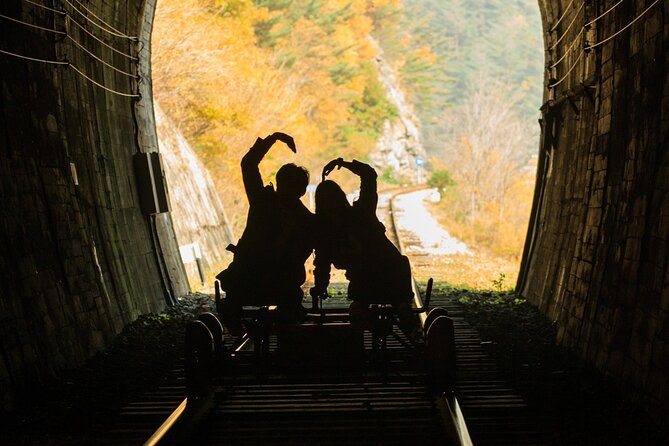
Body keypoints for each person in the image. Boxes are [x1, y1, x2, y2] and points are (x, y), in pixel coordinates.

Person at [216, 132, 314, 335]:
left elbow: (248, 164)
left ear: (278, 183)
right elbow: (305, 251)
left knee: (232, 292)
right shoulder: (305, 219)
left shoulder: (262, 200)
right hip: (283, 283)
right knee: (290, 298)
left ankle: (235, 323)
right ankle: (286, 334)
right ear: (303, 191)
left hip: (246, 275)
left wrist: (274, 138)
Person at [309, 158, 417, 338]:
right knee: (398, 276)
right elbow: (368, 175)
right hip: (394, 275)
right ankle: (407, 316)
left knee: (359, 299)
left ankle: (359, 316)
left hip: (363, 283)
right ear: (341, 197)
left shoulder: (324, 232)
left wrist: (320, 287)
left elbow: (322, 263)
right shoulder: (362, 211)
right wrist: (343, 164)